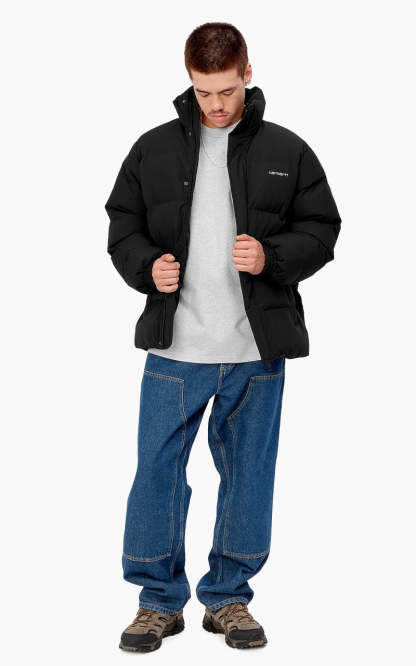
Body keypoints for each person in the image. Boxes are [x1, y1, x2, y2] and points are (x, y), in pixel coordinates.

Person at [104, 21, 341, 653]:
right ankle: (157, 602)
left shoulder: (288, 149)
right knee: (156, 475)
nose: (216, 104)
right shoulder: (152, 149)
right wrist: (145, 267)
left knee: (248, 477)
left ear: (247, 75)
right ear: (190, 81)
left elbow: (322, 228)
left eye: (228, 90)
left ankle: (229, 598)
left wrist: (271, 257)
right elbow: (122, 225)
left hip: (254, 351)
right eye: (204, 91)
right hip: (174, 349)